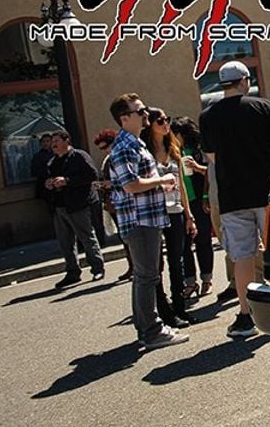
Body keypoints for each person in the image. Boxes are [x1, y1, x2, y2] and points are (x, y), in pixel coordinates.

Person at [199, 61, 270, 338]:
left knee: (242, 257)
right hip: (266, 192)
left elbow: (212, 157)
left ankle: (245, 314)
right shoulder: (262, 106)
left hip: (232, 196)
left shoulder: (208, 116)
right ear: (244, 81)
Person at [108, 92, 188, 350]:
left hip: (147, 219)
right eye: (139, 111)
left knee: (145, 276)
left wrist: (158, 185)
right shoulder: (125, 147)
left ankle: (147, 328)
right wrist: (161, 180)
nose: (145, 114)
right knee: (147, 276)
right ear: (124, 118)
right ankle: (152, 331)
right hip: (139, 221)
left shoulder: (135, 144)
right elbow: (130, 184)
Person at [141, 107, 196, 327]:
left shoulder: (173, 148)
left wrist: (188, 215)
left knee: (177, 260)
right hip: (155, 211)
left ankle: (180, 308)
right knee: (157, 264)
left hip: (176, 211)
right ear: (150, 125)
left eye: (167, 120)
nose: (166, 124)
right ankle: (164, 311)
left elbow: (181, 183)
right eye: (160, 121)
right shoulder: (145, 152)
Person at [46, 130, 106, 288]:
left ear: (67, 141)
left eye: (57, 141)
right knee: (65, 242)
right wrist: (50, 183)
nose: (54, 144)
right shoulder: (52, 162)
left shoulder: (79, 156)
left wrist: (67, 181)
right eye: (52, 142)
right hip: (60, 205)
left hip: (78, 204)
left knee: (86, 237)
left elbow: (91, 175)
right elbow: (49, 179)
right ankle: (72, 272)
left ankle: (97, 268)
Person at [171, 116, 214, 300]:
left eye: (175, 133)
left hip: (198, 199)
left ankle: (207, 280)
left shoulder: (198, 149)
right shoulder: (172, 151)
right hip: (180, 202)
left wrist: (197, 167)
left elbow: (210, 172)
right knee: (184, 245)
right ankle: (190, 282)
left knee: (203, 239)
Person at [94, 128, 132, 281]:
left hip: (127, 202)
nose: (105, 150)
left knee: (131, 238)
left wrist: (112, 183)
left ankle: (136, 267)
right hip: (115, 202)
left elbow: (132, 179)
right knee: (125, 238)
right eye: (101, 148)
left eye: (106, 146)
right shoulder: (109, 159)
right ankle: (132, 266)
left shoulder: (121, 156)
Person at [29, 133, 54, 211]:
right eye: (43, 141)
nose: (45, 143)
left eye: (47, 141)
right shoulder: (37, 157)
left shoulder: (56, 153)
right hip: (45, 186)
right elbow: (34, 172)